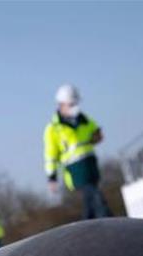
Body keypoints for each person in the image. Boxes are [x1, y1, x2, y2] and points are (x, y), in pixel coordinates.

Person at [44, 83, 111, 220]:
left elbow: (97, 133)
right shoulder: (53, 129)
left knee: (90, 202)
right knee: (96, 197)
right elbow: (50, 155)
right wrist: (52, 177)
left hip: (90, 163)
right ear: (61, 104)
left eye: (75, 103)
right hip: (75, 169)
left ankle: (88, 229)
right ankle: (109, 221)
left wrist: (97, 137)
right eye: (71, 104)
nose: (74, 107)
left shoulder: (84, 119)